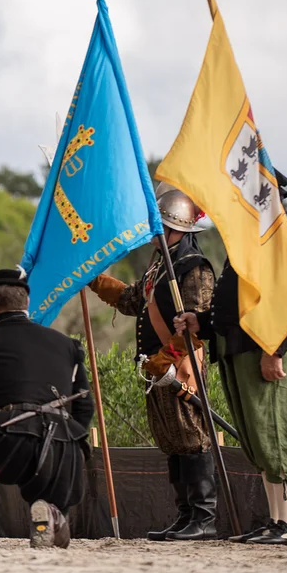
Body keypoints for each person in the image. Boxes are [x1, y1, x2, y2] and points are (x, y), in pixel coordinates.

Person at [177, 171, 287, 546]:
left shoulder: (285, 234)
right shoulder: (250, 238)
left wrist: (275, 349)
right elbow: (237, 302)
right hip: (241, 347)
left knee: (277, 432)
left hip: (268, 347)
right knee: (260, 439)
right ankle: (276, 521)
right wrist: (201, 322)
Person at [88, 189, 218, 541]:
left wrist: (167, 359)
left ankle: (204, 517)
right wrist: (95, 277)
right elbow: (133, 301)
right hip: (158, 368)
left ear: (181, 228)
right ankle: (186, 515)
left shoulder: (194, 267)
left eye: (163, 225)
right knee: (172, 440)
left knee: (192, 437)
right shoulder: (161, 265)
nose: (156, 231)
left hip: (180, 365)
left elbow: (197, 324)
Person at [0, 269, 93, 549]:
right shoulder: (68, 346)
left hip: (10, 445)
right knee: (61, 453)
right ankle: (54, 513)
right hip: (65, 445)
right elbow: (84, 406)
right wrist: (69, 437)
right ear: (26, 303)